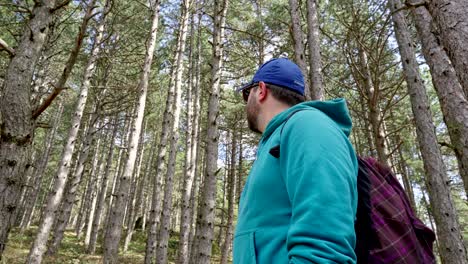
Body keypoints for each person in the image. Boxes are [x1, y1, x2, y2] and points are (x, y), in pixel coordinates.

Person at [233, 58, 358, 263]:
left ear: (261, 90)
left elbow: (324, 248)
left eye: (247, 94)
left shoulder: (308, 126)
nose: (246, 101)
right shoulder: (283, 137)